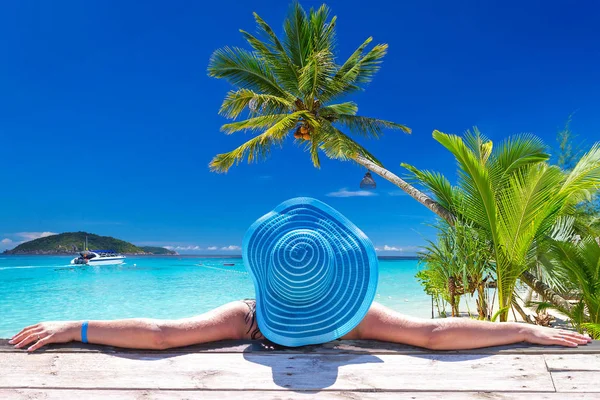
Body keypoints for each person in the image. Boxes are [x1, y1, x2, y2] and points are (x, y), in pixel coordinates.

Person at [9, 299, 592, 352]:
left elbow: (435, 334)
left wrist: (525, 332)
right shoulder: (249, 315)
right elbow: (160, 333)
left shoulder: (355, 314)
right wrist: (74, 326)